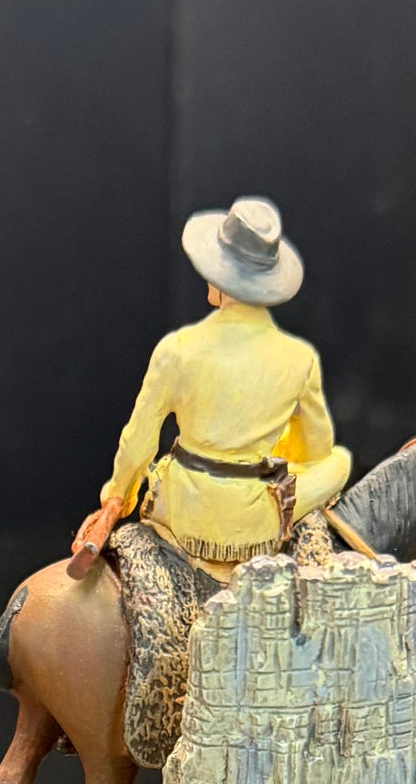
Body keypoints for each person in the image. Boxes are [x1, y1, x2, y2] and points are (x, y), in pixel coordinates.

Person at [71, 198, 352, 572]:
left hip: (181, 512)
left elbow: (138, 440)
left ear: (219, 277)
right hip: (252, 521)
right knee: (339, 461)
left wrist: (118, 496)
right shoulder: (300, 358)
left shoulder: (177, 349)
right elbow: (316, 449)